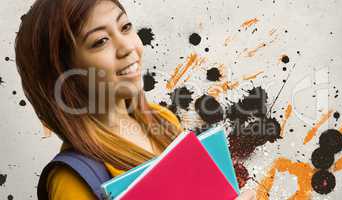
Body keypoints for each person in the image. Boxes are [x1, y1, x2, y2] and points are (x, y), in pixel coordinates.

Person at [15, 0, 256, 199]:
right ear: (64, 73)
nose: (127, 47)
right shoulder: (71, 181)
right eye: (100, 41)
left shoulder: (163, 119)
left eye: (126, 27)